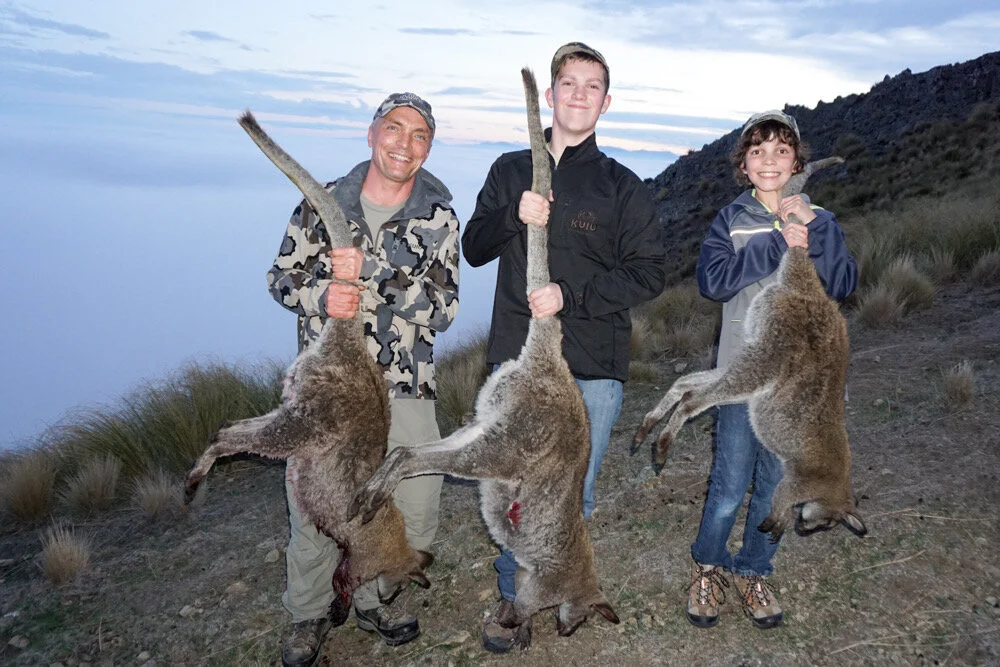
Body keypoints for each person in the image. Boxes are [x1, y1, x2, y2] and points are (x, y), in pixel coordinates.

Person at [462, 42, 666, 653]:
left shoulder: (622, 187)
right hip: (518, 361)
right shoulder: (509, 170)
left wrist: (569, 295)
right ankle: (513, 596)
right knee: (514, 488)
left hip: (592, 364)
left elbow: (649, 271)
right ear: (550, 95)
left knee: (574, 491)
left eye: (592, 86)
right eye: (569, 84)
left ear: (607, 101)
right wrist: (512, 215)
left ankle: (557, 583)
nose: (580, 94)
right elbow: (474, 247)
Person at [266, 92, 460, 667]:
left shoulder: (439, 217)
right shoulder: (320, 201)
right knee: (314, 509)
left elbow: (443, 310)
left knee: (417, 504)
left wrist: (372, 272)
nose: (405, 143)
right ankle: (308, 614)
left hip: (405, 386)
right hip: (327, 395)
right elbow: (281, 279)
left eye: (419, 135)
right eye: (394, 128)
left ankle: (376, 598)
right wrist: (321, 295)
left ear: (428, 149)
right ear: (372, 133)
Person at [688, 110, 858, 630]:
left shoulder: (820, 218)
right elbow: (713, 282)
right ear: (743, 164)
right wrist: (779, 241)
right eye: (757, 150)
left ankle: (755, 570)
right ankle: (708, 567)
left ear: (796, 162)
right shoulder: (731, 219)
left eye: (781, 151)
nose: (769, 160)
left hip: (801, 389)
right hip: (744, 379)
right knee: (730, 485)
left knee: (774, 485)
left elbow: (844, 284)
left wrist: (812, 229)